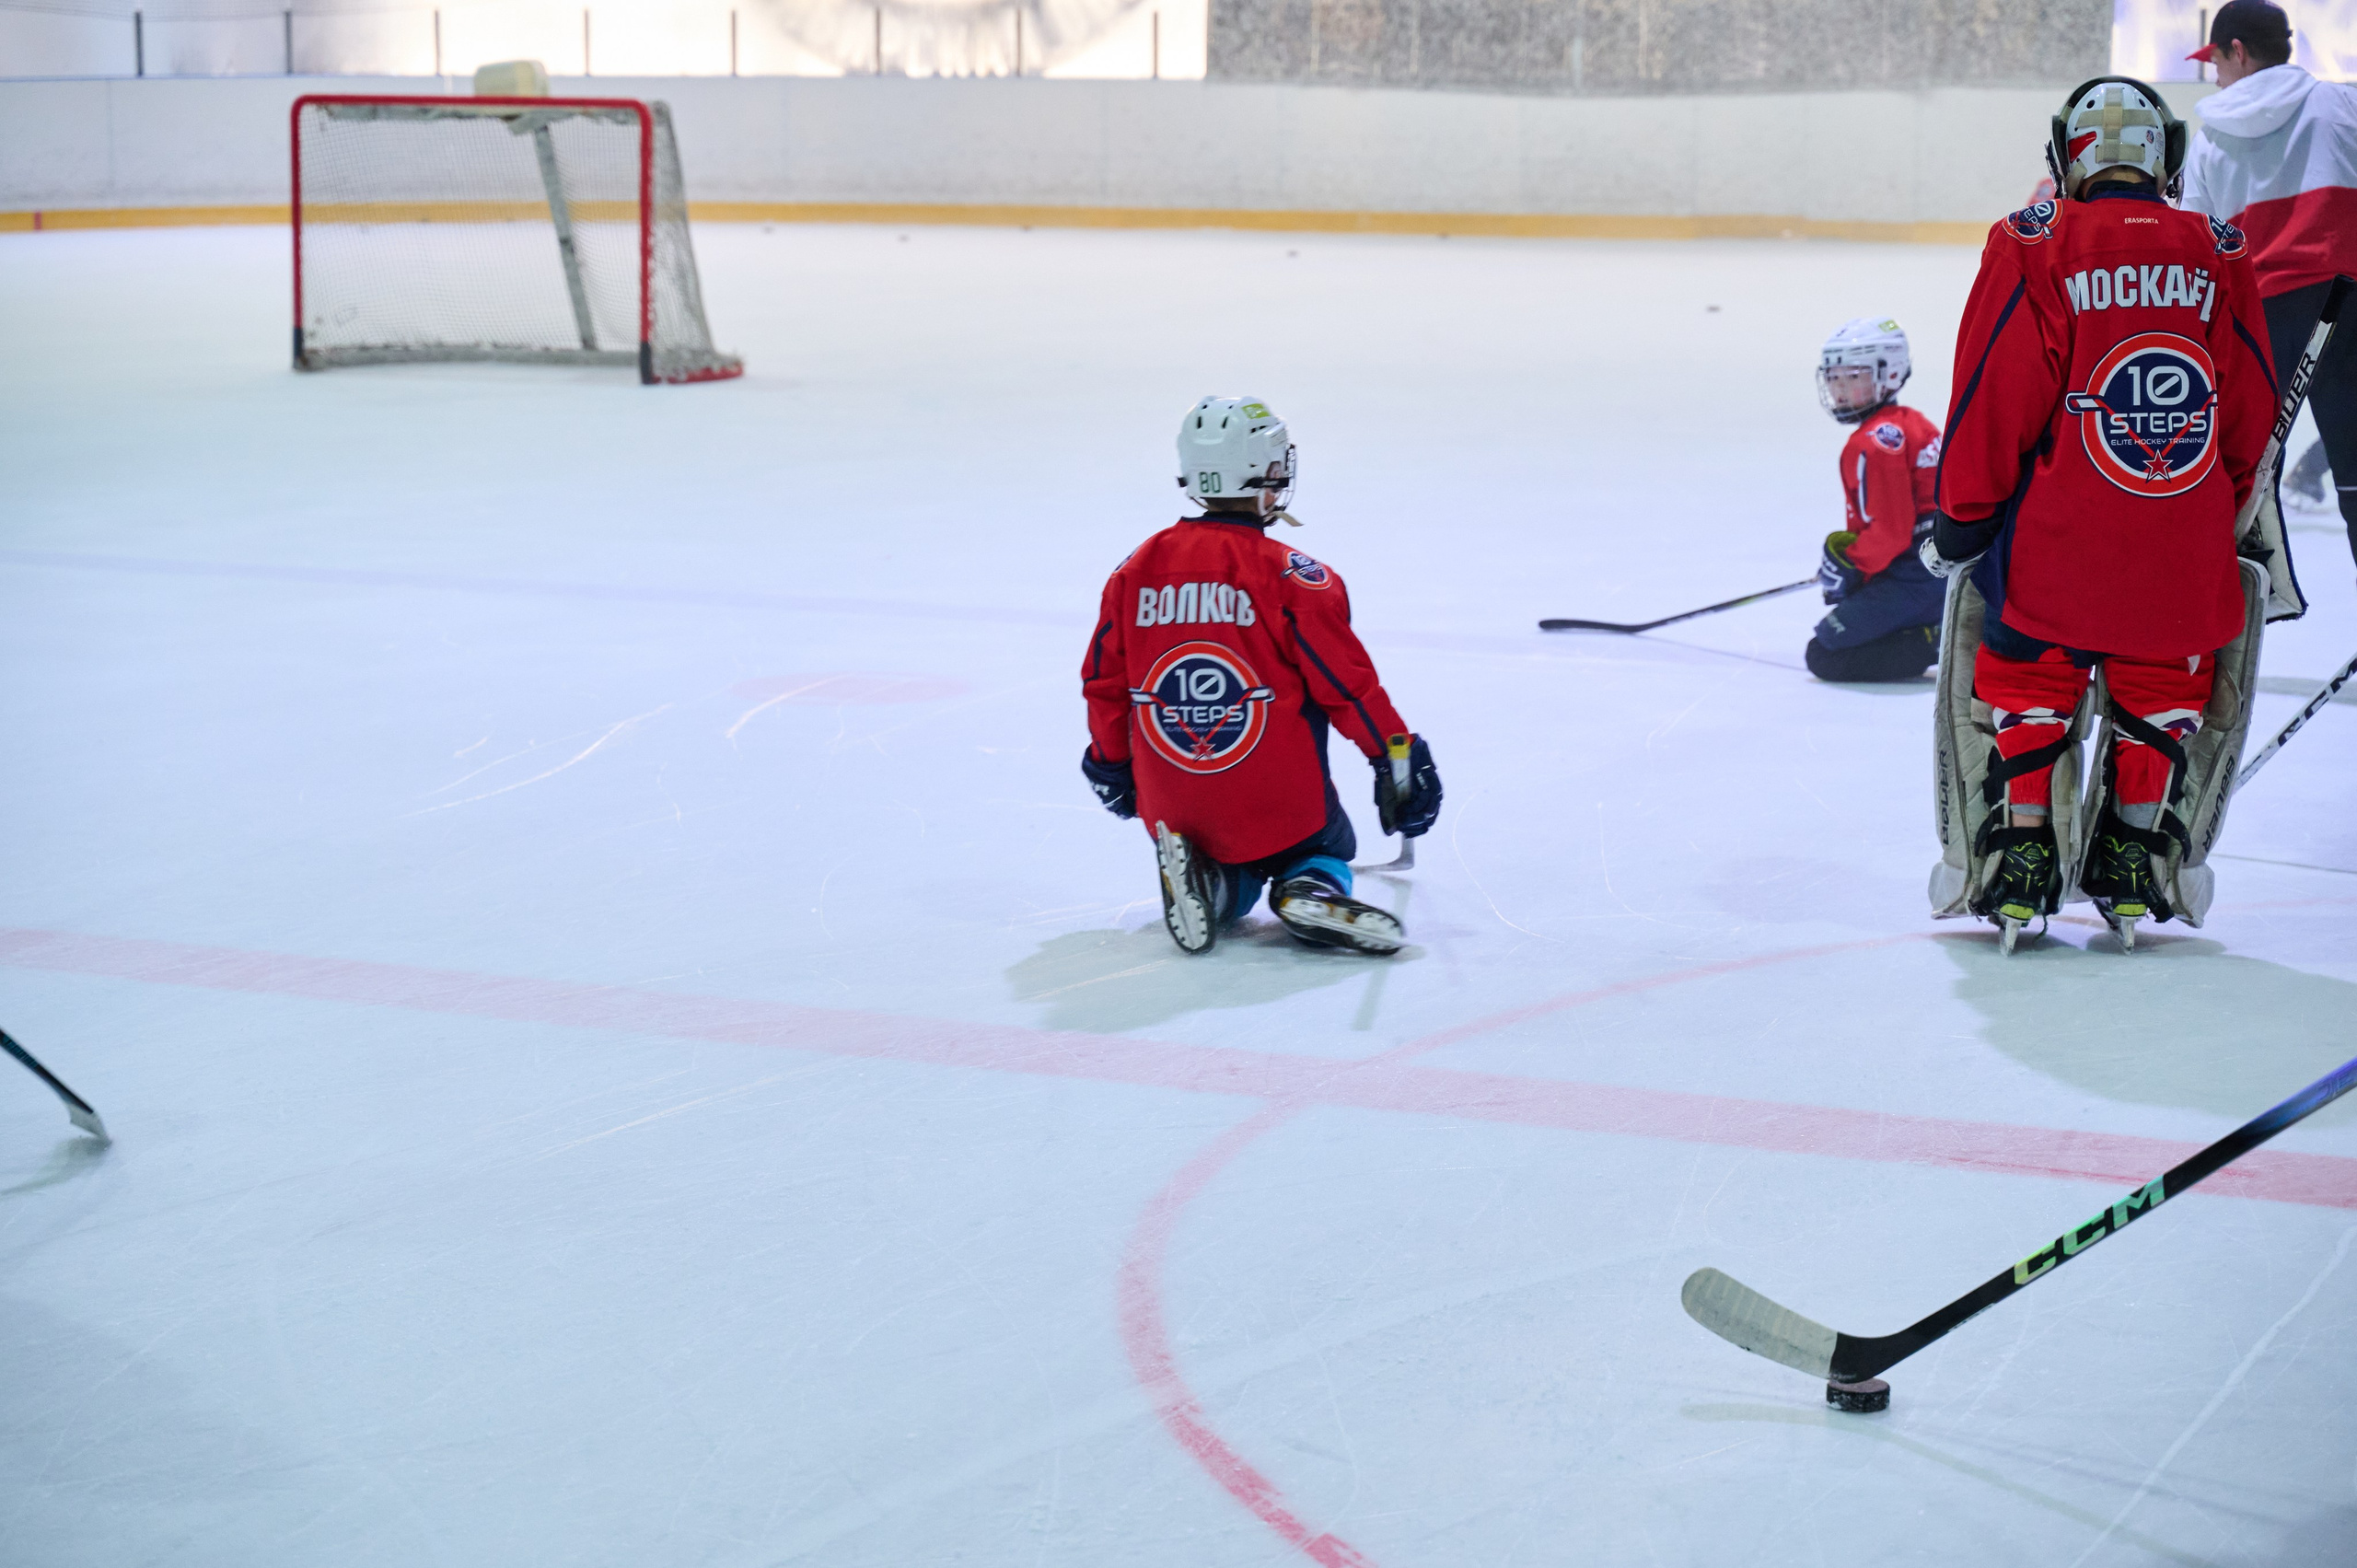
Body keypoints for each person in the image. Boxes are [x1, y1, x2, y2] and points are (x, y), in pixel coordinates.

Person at [1922, 76, 2277, 951]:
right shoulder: (2220, 248)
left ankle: (2022, 854)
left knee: (2031, 679)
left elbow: (1994, 394)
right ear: (2167, 158)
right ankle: (2133, 855)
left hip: (2057, 550)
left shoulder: (2032, 240)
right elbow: (2248, 416)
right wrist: (2213, 513)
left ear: (2065, 156)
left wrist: (1963, 513)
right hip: (2180, 543)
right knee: (2165, 682)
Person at [1078, 396, 1441, 957]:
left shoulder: (1133, 573)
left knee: (1221, 848)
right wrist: (1395, 755)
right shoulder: (1294, 578)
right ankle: (1309, 886)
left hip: (1172, 807)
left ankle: (1214, 885)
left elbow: (1104, 684)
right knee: (1324, 843)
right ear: (1265, 473)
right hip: (1279, 802)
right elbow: (1347, 689)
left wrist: (1109, 763)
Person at [2181, 0, 2357, 561]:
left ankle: (2240, 604)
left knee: (2244, 484)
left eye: (2215, 61)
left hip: (2264, 323)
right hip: (2352, 305)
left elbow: (2198, 251)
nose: (2215, 75)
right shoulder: (2344, 106)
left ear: (2237, 51)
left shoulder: (2209, 140)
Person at [1805, 318, 1946, 682]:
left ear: (1889, 374)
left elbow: (1891, 533)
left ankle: (1938, 639)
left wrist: (1852, 565)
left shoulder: (1874, 443)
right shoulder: (1913, 422)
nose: (1839, 389)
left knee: (1824, 653)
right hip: (1941, 569)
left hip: (1916, 577)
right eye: (1833, 377)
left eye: (1853, 377)